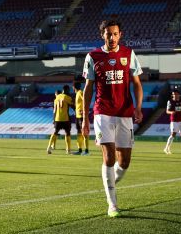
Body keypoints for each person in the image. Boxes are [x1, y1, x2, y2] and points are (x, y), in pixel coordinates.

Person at [82, 19, 143, 218]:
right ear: (103, 35)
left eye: (115, 33)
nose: (112, 37)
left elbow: (137, 84)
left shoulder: (129, 54)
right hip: (103, 112)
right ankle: (112, 204)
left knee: (124, 162)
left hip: (125, 112)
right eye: (108, 34)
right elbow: (88, 89)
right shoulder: (93, 56)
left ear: (120, 35)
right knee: (108, 157)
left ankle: (109, 183)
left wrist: (138, 107)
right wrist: (85, 119)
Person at [47, 85, 74, 154]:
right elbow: (73, 106)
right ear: (67, 90)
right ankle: (68, 150)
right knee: (67, 133)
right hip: (65, 118)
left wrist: (54, 119)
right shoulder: (67, 97)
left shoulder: (57, 97)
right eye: (68, 90)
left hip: (57, 118)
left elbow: (55, 110)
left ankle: (49, 147)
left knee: (55, 132)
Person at [164, 89, 181, 155]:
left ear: (178, 94)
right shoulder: (170, 101)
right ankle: (166, 148)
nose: (175, 95)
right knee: (173, 134)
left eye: (176, 94)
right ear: (172, 95)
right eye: (174, 94)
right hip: (174, 120)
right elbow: (167, 111)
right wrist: (171, 112)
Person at [73, 81, 90, 156]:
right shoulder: (77, 94)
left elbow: (85, 99)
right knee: (79, 133)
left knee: (84, 133)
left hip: (81, 116)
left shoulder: (80, 92)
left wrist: (83, 110)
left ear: (74, 87)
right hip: (77, 116)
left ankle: (86, 151)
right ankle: (79, 150)